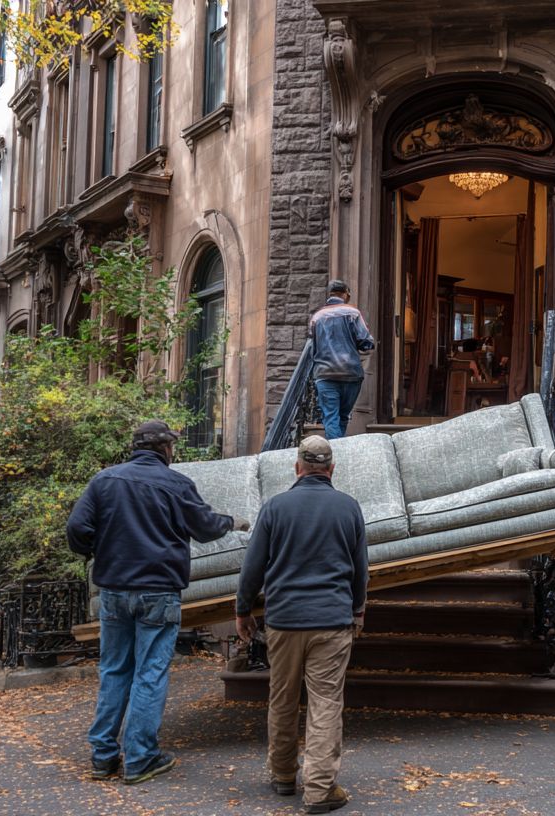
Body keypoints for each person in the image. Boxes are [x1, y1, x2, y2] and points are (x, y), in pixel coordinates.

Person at [67, 420, 244, 786]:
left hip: (114, 589)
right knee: (150, 672)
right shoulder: (176, 484)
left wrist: (99, 550)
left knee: (114, 669)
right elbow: (206, 527)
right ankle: (140, 757)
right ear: (166, 449)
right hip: (158, 590)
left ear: (135, 447)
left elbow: (77, 530)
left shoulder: (104, 481)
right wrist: (232, 522)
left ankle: (103, 756)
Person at [235, 435, 367, 814]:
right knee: (325, 703)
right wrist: (357, 609)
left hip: (284, 620)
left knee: (283, 697)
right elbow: (360, 569)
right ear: (331, 469)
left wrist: (243, 610)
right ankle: (320, 789)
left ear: (298, 468)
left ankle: (282, 774)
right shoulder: (349, 508)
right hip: (332, 620)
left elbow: (252, 567)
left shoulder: (275, 507)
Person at [310, 280, 375, 439]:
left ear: (330, 294)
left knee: (330, 417)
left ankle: (336, 449)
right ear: (345, 294)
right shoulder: (353, 313)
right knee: (343, 416)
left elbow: (313, 347)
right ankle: (339, 448)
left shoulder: (317, 317)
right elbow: (366, 342)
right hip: (350, 373)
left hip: (325, 374)